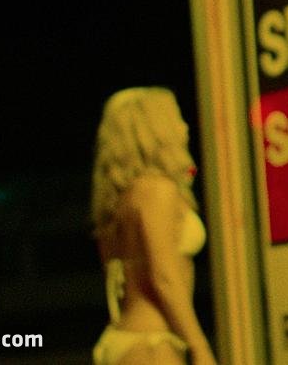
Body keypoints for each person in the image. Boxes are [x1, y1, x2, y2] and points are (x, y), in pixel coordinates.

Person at [89, 87, 215, 365]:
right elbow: (164, 275)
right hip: (152, 343)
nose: (184, 127)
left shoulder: (120, 200)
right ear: (155, 129)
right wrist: (199, 346)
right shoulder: (157, 190)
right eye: (176, 118)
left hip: (124, 337)